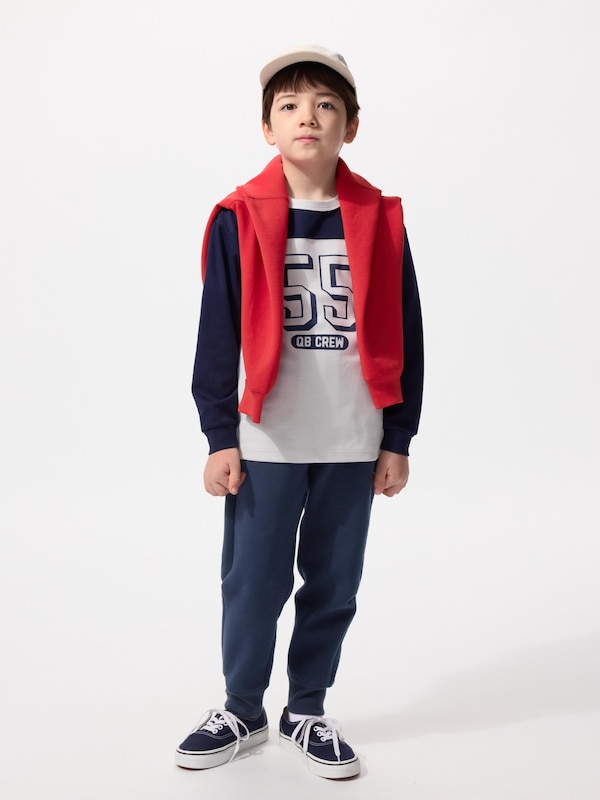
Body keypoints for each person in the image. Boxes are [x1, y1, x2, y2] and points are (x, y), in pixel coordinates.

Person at [175, 44, 424, 780]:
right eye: (289, 106)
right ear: (267, 127)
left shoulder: (380, 219)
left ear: (352, 124)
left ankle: (306, 708)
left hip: (354, 435)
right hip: (266, 437)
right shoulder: (238, 218)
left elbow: (408, 332)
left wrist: (398, 435)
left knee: (334, 582)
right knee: (253, 581)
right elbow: (216, 333)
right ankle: (242, 708)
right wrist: (219, 435)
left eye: (325, 105)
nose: (307, 117)